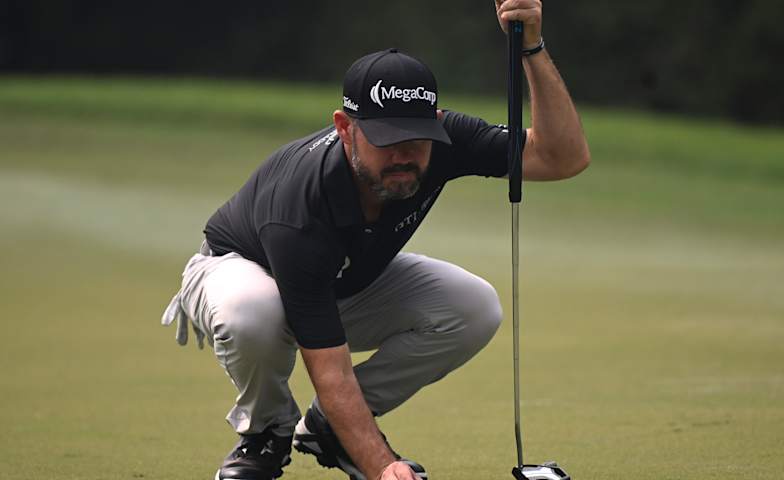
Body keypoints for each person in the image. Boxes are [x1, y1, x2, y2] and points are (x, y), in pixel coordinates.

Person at [160, 1, 589, 479]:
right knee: (254, 311)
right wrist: (383, 467)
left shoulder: (445, 140)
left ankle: (327, 430)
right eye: (387, 139)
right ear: (346, 128)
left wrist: (531, 45)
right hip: (238, 271)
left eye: (417, 137)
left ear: (436, 121)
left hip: (341, 279)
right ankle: (265, 433)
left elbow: (562, 158)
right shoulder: (302, 208)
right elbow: (329, 369)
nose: (404, 155)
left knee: (474, 306)